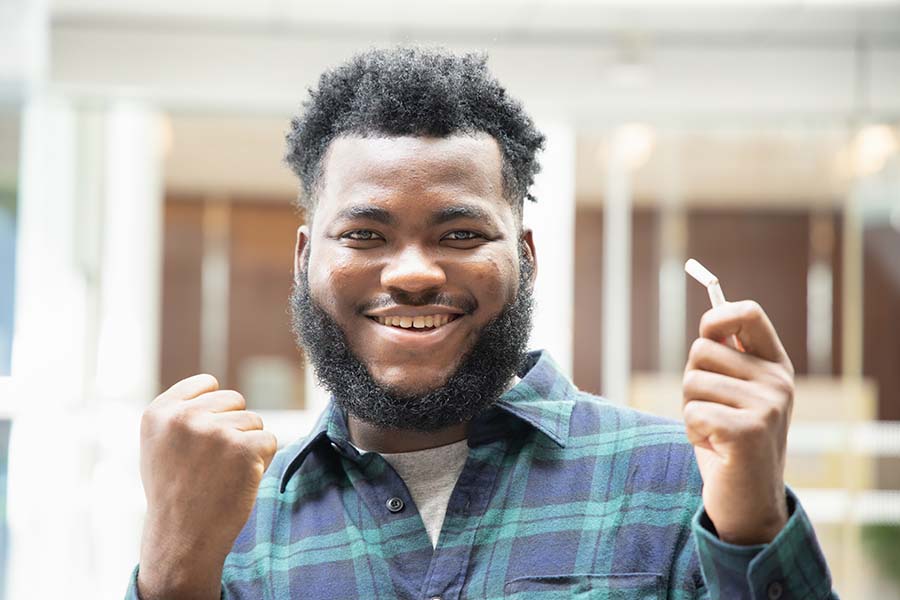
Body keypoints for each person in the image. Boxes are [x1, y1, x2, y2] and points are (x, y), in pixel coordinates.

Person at [127, 47, 837, 600]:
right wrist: (170, 572)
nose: (412, 273)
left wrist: (751, 520)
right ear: (307, 258)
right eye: (366, 236)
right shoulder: (235, 525)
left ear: (524, 257)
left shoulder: (682, 482)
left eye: (462, 235)